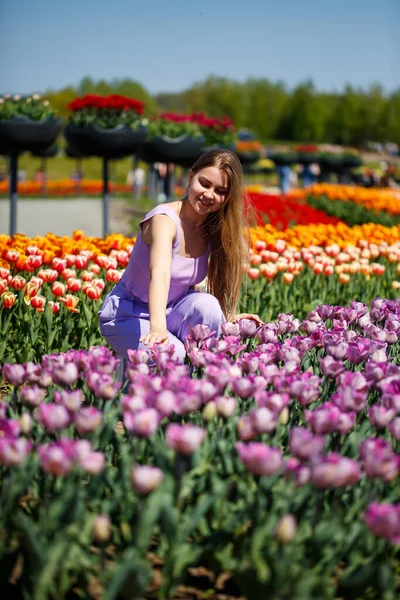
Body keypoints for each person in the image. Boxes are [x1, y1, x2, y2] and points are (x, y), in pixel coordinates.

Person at [98, 149, 262, 363]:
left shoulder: (210, 227)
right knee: (173, 355)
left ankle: (203, 386)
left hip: (171, 310)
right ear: (190, 176)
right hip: (129, 314)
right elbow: (160, 273)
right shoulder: (164, 221)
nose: (209, 195)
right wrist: (157, 327)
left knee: (208, 305)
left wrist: (226, 319)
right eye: (204, 183)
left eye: (220, 191)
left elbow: (187, 288)